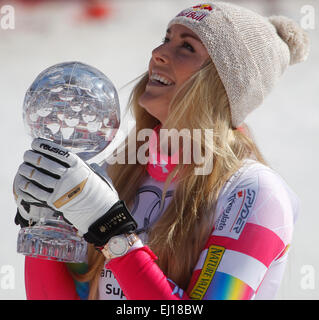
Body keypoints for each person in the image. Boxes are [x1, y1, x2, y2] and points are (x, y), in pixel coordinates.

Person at [13, 1, 309, 300]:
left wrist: (114, 233)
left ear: (222, 83)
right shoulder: (117, 172)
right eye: (167, 39)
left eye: (187, 47)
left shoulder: (255, 195)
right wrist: (41, 221)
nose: (159, 53)